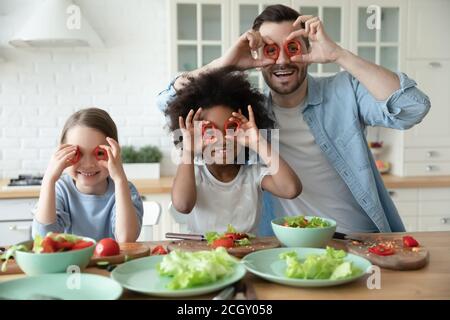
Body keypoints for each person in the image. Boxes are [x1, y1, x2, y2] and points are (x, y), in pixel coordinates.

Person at [157, 5, 430, 234]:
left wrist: (339, 55)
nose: (283, 60)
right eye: (271, 50)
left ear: (309, 50)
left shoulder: (345, 92)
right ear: (257, 56)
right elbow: (166, 102)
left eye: (293, 48)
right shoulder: (249, 117)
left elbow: (411, 108)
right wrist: (223, 64)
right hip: (286, 246)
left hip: (358, 239)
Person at [165, 67, 301, 234]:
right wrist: (188, 152)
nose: (222, 139)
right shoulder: (194, 175)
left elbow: (291, 189)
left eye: (232, 128)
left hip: (248, 256)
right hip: (203, 257)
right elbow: (183, 205)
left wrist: (258, 142)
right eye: (210, 132)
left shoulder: (254, 174)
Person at [32, 107, 144, 242]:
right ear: (61, 153)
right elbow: (43, 239)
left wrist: (120, 179)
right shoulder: (60, 190)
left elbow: (126, 239)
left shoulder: (125, 189)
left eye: (99, 153)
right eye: (77, 153)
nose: (88, 164)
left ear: (114, 152)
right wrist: (48, 180)